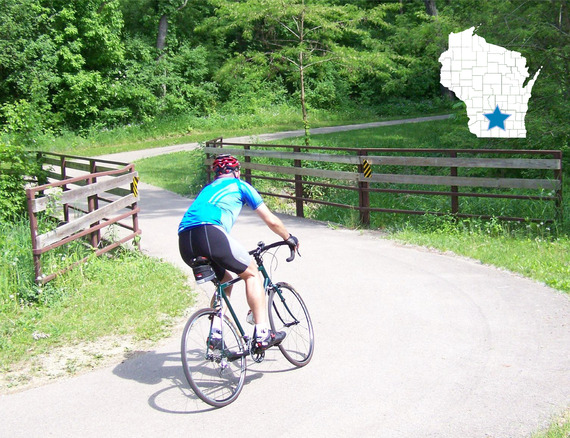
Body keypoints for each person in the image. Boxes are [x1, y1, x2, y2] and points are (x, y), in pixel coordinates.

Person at [178, 154, 300, 350]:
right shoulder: (240, 186)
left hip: (185, 241)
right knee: (251, 273)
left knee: (224, 281)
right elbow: (272, 221)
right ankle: (262, 334)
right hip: (209, 233)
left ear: (217, 174)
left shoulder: (207, 189)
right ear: (237, 171)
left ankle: (215, 333)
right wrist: (289, 238)